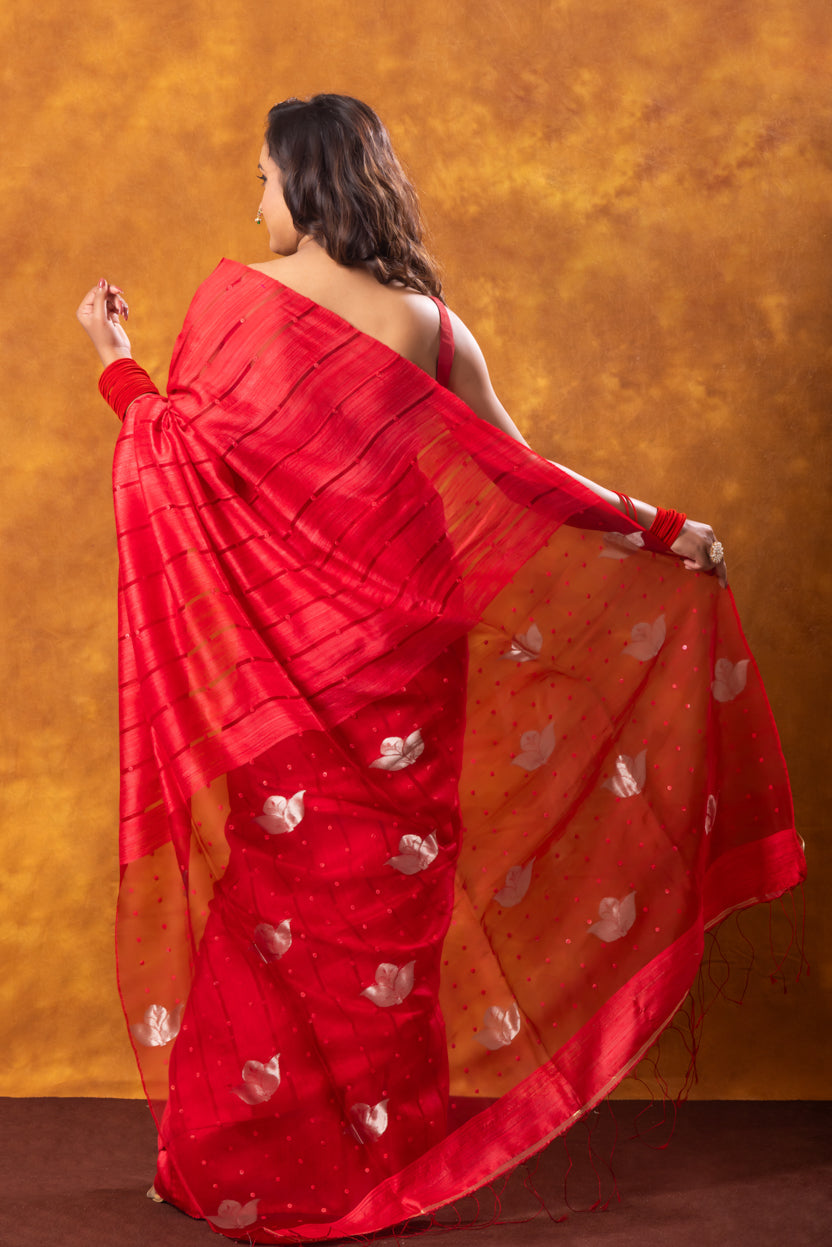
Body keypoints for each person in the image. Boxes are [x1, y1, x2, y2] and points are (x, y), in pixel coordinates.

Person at [77, 94, 804, 1241]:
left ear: (304, 184)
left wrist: (115, 364)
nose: (254, 204)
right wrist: (663, 530)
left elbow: (179, 456)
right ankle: (377, 1169)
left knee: (273, 904)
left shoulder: (233, 303)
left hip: (284, 669)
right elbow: (527, 473)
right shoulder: (428, 324)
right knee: (386, 907)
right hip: (405, 664)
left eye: (262, 180)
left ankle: (243, 1162)